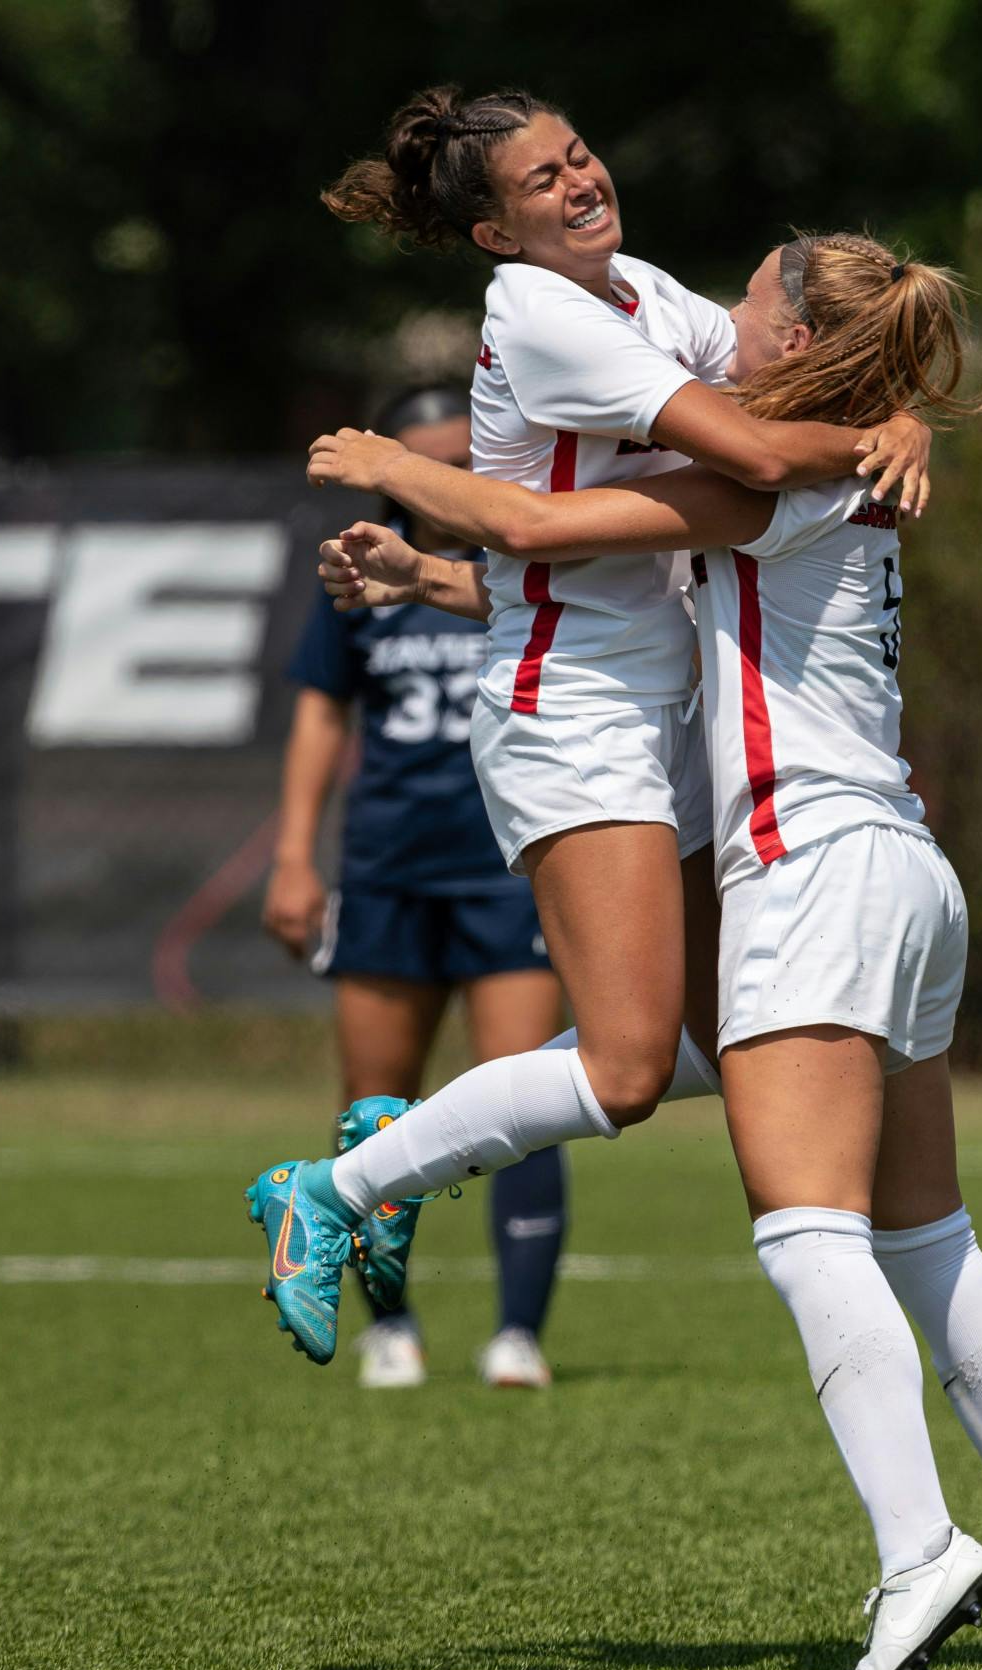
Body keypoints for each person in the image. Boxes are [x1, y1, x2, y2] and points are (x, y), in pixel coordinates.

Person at [307, 231, 982, 1670]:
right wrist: (421, 579)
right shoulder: (823, 471)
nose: (724, 312)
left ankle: (919, 1555)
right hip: (904, 868)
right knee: (926, 1236)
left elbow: (550, 535)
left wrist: (391, 462)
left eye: (754, 295)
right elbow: (607, 591)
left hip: (814, 869)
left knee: (805, 1229)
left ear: (793, 341)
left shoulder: (775, 475)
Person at [245, 83, 932, 1367]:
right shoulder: (543, 311)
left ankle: (399, 1146)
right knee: (623, 1073)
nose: (578, 181)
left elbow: (785, 381)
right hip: (573, 720)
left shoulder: (642, 291)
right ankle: (333, 1194)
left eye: (578, 155)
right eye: (541, 182)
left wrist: (892, 408)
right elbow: (758, 454)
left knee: (726, 1033)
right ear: (498, 236)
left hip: (647, 701)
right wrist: (406, 471)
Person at [261, 385, 566, 1391]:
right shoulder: (360, 562)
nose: (444, 476)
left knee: (525, 1092)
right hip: (389, 870)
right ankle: (389, 1324)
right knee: (373, 1107)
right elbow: (320, 714)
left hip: (510, 865)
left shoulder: (523, 555)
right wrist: (296, 854)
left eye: (459, 454)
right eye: (423, 455)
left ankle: (518, 1332)